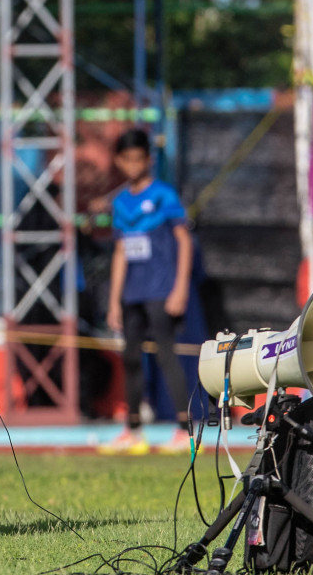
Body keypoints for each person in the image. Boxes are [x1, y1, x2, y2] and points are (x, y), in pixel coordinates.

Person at [101, 129, 195, 455]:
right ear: (118, 161)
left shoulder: (164, 196)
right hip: (132, 293)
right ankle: (134, 430)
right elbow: (120, 253)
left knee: (167, 356)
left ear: (148, 160)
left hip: (161, 290)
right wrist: (114, 301)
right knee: (130, 358)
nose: (132, 165)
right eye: (126, 160)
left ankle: (185, 430)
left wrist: (180, 287)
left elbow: (184, 241)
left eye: (138, 159)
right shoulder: (121, 203)